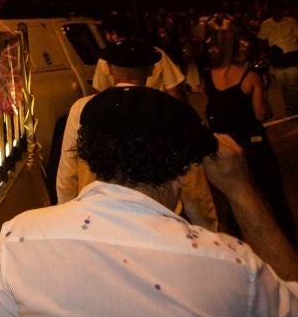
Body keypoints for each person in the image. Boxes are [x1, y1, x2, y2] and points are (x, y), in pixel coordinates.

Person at [0, 86, 298, 317]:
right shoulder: (228, 262)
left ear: (89, 153)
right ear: (182, 169)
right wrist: (242, 191)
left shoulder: (23, 238)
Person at [55, 39, 217, 230]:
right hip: (157, 221)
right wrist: (209, 227)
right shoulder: (168, 109)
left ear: (108, 68)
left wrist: (65, 215)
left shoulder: (83, 108)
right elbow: (191, 180)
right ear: (151, 69)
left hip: (97, 218)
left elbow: (68, 169)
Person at [201, 34, 298, 253]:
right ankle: (292, 246)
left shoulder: (207, 76)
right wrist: (263, 89)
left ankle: (239, 251)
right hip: (252, 145)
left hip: (226, 147)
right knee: (273, 194)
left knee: (233, 198)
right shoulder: (250, 76)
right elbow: (260, 114)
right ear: (238, 50)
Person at [92, 12, 186, 100]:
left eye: (106, 33)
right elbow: (173, 91)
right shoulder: (155, 53)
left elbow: (101, 95)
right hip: (155, 112)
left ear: (113, 33)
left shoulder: (105, 59)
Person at [258, 4, 298, 116]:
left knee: (293, 85)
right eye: (274, 9)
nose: (277, 11)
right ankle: (289, 105)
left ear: (283, 10)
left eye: (279, 9)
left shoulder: (292, 22)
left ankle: (294, 106)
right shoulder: (266, 24)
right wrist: (266, 53)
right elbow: (262, 40)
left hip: (291, 56)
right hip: (276, 58)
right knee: (283, 85)